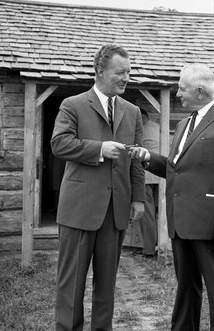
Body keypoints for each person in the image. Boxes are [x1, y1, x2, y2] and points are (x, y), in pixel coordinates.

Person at [129, 63, 214, 330]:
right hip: (181, 225)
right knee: (186, 289)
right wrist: (149, 158)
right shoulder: (185, 123)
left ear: (199, 91)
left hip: (211, 227)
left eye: (182, 88)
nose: (178, 94)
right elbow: (177, 168)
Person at [51, 44, 146, 331]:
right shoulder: (73, 104)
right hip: (79, 210)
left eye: (128, 72)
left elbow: (136, 159)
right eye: (120, 72)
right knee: (72, 286)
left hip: (115, 212)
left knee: (107, 286)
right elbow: (59, 143)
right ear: (100, 71)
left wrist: (138, 198)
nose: (126, 77)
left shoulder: (133, 112)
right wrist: (100, 149)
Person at [134, 108, 160, 257]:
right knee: (157, 212)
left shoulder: (141, 129)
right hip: (161, 175)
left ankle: (149, 249)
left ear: (143, 116)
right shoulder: (158, 127)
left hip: (146, 175)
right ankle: (158, 245)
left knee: (147, 214)